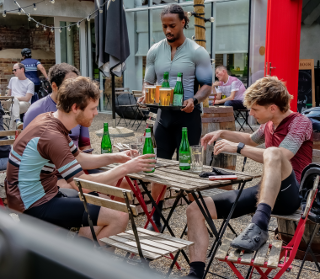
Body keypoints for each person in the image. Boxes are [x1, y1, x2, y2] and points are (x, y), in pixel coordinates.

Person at [185, 76, 312, 279]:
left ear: (272, 108)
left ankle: (259, 225)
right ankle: (194, 277)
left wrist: (238, 149)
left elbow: (281, 155)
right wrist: (222, 132)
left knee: (273, 153)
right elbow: (250, 139)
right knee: (196, 209)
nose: (250, 114)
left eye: (255, 109)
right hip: (265, 192)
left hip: (291, 193)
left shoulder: (300, 123)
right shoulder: (269, 124)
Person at [5, 76, 155, 245]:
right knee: (119, 216)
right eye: (93, 108)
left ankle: (78, 256)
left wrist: (117, 157)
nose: (97, 113)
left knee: (98, 200)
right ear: (75, 107)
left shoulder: (51, 120)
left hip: (40, 195)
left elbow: (80, 158)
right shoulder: (53, 136)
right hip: (33, 204)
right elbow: (82, 183)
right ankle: (85, 267)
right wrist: (126, 168)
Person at [138, 4, 212, 231]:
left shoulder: (197, 52)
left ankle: (198, 216)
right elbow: (148, 82)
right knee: (157, 167)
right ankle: (155, 219)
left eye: (172, 25)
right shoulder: (154, 51)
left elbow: (207, 85)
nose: (167, 30)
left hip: (188, 118)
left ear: (183, 22)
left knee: (189, 168)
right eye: (164, 26)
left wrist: (195, 100)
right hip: (163, 117)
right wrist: (145, 93)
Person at [7, 63, 34, 130]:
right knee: (14, 104)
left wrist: (14, 98)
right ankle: (17, 121)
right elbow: (8, 95)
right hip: (12, 103)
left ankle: (12, 133)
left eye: (15, 70)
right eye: (13, 70)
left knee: (14, 104)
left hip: (25, 104)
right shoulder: (12, 79)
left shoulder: (30, 83)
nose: (14, 71)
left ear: (22, 69)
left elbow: (27, 99)